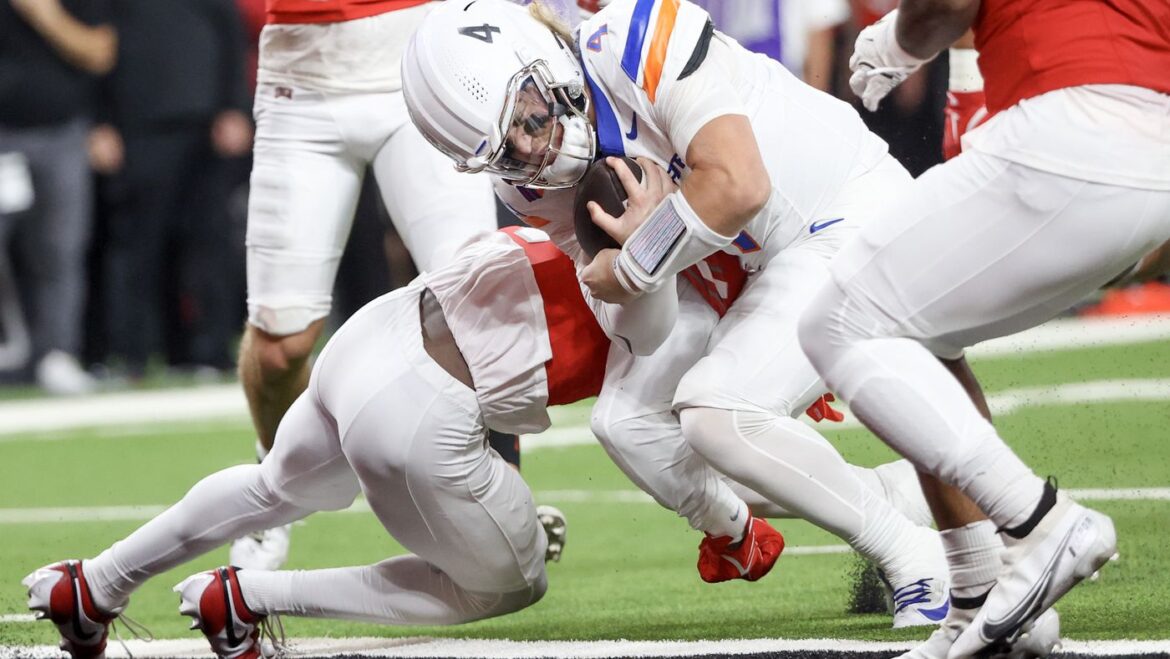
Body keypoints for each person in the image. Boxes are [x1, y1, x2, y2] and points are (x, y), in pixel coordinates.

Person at [403, 0, 955, 627]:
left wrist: (640, 256)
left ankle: (913, 556)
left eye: (526, 117)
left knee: (719, 412)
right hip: (742, 262)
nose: (534, 151)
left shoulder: (636, 37)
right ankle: (888, 498)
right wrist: (647, 267)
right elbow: (641, 332)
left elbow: (741, 185)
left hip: (841, 214)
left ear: (539, 57)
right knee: (627, 422)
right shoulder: (525, 186)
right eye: (507, 151)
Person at [27, 227, 773, 659]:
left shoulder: (614, 178)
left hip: (381, 327)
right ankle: (248, 596)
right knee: (510, 583)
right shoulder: (694, 300)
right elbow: (630, 427)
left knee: (274, 488)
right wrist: (731, 524)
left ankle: (92, 583)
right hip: (421, 405)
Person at [795, 0, 1170, 656]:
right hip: (1148, 149)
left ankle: (1038, 520)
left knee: (838, 320)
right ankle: (978, 594)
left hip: (1070, 122)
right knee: (922, 332)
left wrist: (899, 41)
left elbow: (946, 3)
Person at [229, 0, 530, 569]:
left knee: (473, 298)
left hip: (422, 55)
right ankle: (276, 490)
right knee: (278, 349)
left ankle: (501, 493)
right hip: (302, 72)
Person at [0, 0, 116, 395]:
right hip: (3, 137)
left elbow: (100, 52)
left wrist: (44, 14)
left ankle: (57, 355)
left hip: (62, 133)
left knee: (60, 250)